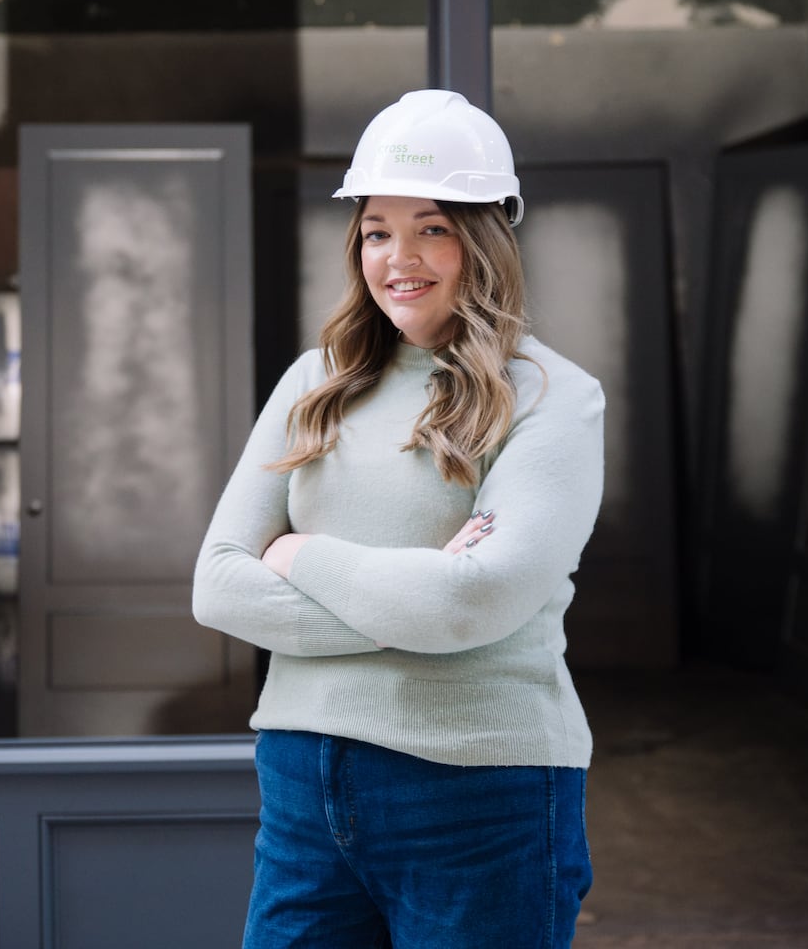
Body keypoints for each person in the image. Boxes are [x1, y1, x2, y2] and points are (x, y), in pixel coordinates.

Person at [193, 88, 604, 948]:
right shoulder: (315, 382)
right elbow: (219, 586)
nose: (399, 258)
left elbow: (468, 603)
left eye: (433, 228)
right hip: (304, 784)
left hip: (478, 792)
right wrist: (405, 608)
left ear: (484, 238)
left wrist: (298, 553)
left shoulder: (551, 399)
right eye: (377, 230)